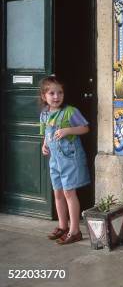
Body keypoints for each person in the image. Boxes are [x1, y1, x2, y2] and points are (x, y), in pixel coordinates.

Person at [39, 76, 91, 245]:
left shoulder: (71, 111)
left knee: (69, 193)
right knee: (58, 193)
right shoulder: (44, 114)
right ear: (43, 96)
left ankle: (75, 230)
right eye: (51, 93)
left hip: (69, 159)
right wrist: (44, 145)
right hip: (55, 159)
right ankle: (63, 226)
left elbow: (85, 128)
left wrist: (69, 130)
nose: (56, 96)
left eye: (59, 92)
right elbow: (46, 133)